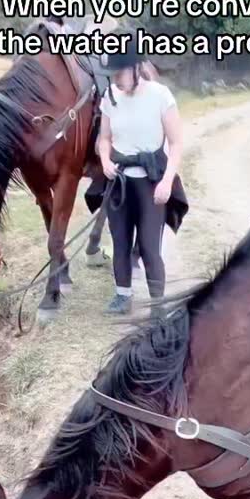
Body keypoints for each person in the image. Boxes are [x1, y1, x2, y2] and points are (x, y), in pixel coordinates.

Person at [96, 42, 186, 315]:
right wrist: (104, 161)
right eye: (111, 74)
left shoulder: (161, 95)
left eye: (119, 73)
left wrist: (167, 181)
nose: (115, 79)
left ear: (136, 68)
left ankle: (157, 302)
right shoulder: (110, 96)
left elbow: (177, 142)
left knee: (149, 245)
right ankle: (122, 295)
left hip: (151, 181)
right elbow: (105, 138)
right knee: (120, 241)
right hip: (120, 181)